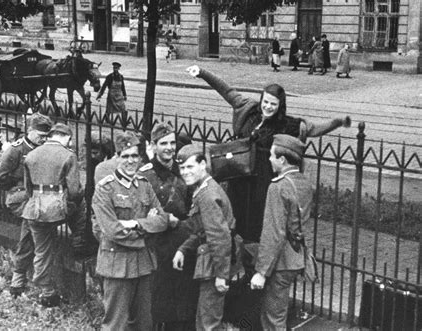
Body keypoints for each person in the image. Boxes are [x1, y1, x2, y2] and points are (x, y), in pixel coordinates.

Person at [186, 65, 350, 328]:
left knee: (261, 232)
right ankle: (238, 289)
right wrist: (202, 72)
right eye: (265, 101)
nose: (268, 107)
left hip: (265, 188)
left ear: (280, 105)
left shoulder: (288, 125)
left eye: (273, 104)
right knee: (236, 232)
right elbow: (226, 90)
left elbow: (316, 129)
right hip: (241, 185)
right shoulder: (248, 110)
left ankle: (255, 288)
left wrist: (338, 122)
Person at [91, 131, 170, 330]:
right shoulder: (105, 189)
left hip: (143, 263)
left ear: (140, 158)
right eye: (125, 156)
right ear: (116, 158)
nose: (130, 161)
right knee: (116, 322)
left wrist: (135, 224)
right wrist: (146, 229)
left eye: (135, 156)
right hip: (117, 263)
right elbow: (112, 231)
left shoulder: (144, 185)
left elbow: (162, 220)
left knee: (144, 322)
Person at [138, 123, 198, 331]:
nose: (170, 148)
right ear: (153, 146)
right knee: (158, 301)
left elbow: (194, 209)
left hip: (182, 243)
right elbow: (139, 215)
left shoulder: (185, 172)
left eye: (173, 142)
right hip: (157, 246)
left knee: (183, 301)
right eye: (164, 143)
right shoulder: (144, 175)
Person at [172, 144, 239, 331]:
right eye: (182, 168)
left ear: (203, 164)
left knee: (208, 324)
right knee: (204, 319)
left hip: (214, 263)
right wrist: (183, 249)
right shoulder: (204, 188)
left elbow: (220, 237)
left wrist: (221, 276)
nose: (185, 172)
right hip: (211, 260)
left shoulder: (207, 195)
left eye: (190, 167)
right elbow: (202, 229)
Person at [250, 134, 313, 331]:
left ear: (282, 160)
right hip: (296, 257)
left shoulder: (278, 187)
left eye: (271, 155)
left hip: (280, 262)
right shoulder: (304, 183)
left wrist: (261, 272)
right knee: (277, 312)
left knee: (273, 319)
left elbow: (274, 233)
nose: (269, 159)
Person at [0, 112, 52, 297]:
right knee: (33, 223)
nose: (43, 140)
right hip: (18, 198)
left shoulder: (46, 149)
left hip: (38, 199)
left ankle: (18, 277)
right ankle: (28, 281)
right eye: (40, 136)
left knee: (31, 226)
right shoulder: (16, 149)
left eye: (46, 136)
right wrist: (17, 187)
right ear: (30, 131)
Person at [22, 123, 83, 307]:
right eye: (69, 140)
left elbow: (27, 189)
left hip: (35, 208)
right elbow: (74, 191)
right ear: (65, 137)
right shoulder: (68, 155)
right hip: (58, 210)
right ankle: (80, 240)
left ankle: (46, 291)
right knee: (81, 207)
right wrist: (73, 204)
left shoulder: (31, 154)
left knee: (41, 250)